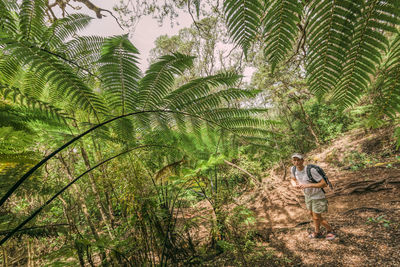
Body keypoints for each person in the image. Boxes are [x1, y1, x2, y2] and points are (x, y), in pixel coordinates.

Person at [290, 153, 336, 240]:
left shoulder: (311, 170)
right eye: (294, 160)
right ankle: (318, 232)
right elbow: (292, 179)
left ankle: (330, 230)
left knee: (316, 217)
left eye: (298, 160)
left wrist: (308, 185)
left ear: (302, 160)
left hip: (318, 196)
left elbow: (324, 184)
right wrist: (294, 185)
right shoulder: (293, 169)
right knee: (312, 214)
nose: (296, 162)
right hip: (308, 196)